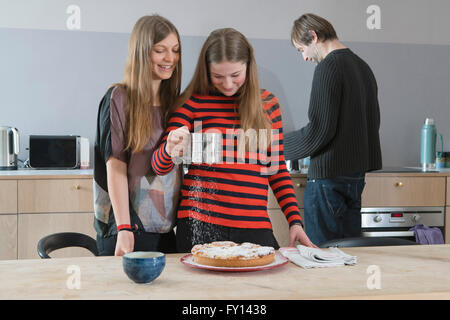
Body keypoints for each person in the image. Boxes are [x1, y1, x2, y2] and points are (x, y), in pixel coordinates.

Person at [151, 28, 317, 252]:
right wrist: (169, 150)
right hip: (199, 223)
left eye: (235, 75)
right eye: (218, 76)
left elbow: (276, 170)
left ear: (248, 66)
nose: (228, 84)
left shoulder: (267, 104)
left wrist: (295, 221)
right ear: (206, 70)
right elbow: (159, 167)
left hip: (254, 225)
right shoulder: (191, 103)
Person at [283, 13, 382, 245]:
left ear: (313, 36)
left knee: (322, 256)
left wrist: (274, 145)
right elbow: (372, 123)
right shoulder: (362, 66)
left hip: (328, 180)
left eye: (301, 50)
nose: (305, 58)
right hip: (355, 178)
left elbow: (318, 131)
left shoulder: (329, 67)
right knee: (346, 255)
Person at [93, 15, 183, 256]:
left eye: (175, 50)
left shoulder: (173, 105)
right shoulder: (119, 98)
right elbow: (115, 167)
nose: (170, 58)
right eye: (160, 50)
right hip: (126, 228)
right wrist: (123, 227)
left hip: (164, 229)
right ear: (142, 52)